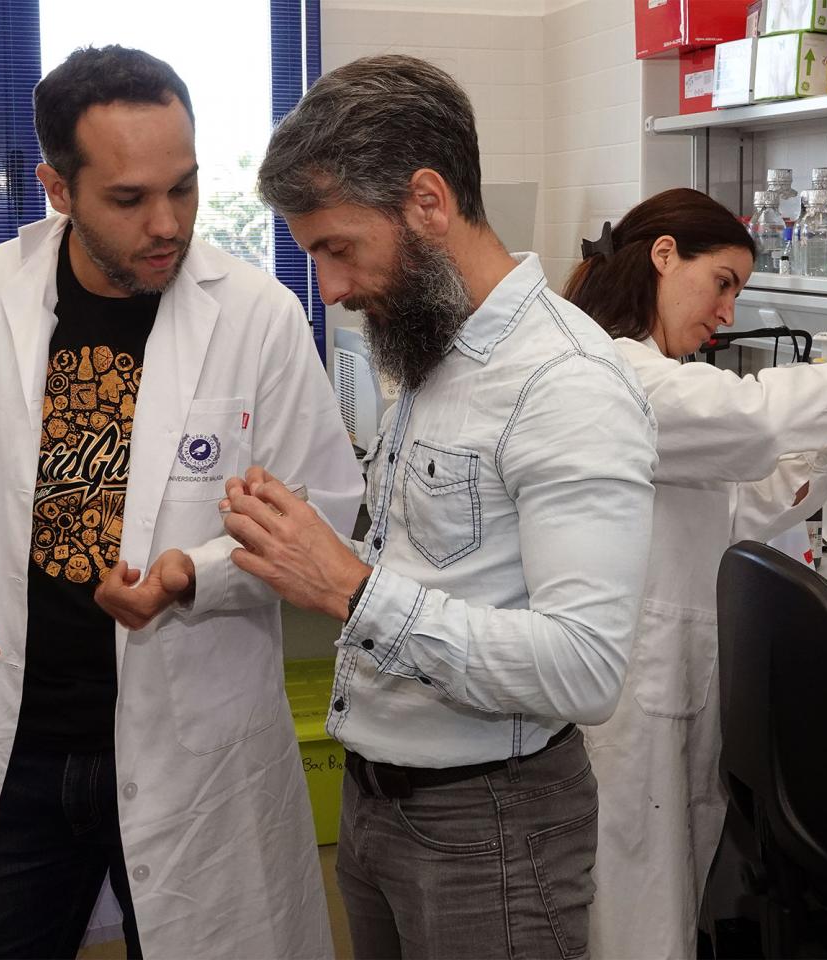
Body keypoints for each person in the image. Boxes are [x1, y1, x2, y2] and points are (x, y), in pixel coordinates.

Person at [0, 45, 362, 960]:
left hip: (193, 742)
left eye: (184, 189)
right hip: (21, 737)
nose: (168, 223)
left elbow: (322, 507)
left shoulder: (257, 314)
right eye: (130, 198)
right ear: (58, 188)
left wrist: (195, 575)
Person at [227, 55, 659, 959]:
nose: (331, 290)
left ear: (427, 201)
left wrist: (353, 589)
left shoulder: (563, 382)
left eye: (338, 249)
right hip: (380, 804)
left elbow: (585, 670)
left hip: (491, 829)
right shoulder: (433, 349)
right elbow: (439, 561)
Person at [561, 187, 827, 960]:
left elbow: (733, 508)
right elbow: (748, 414)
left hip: (668, 680)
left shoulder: (657, 375)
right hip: (625, 700)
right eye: (722, 281)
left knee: (659, 906)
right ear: (663, 256)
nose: (728, 311)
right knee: (628, 921)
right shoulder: (612, 371)